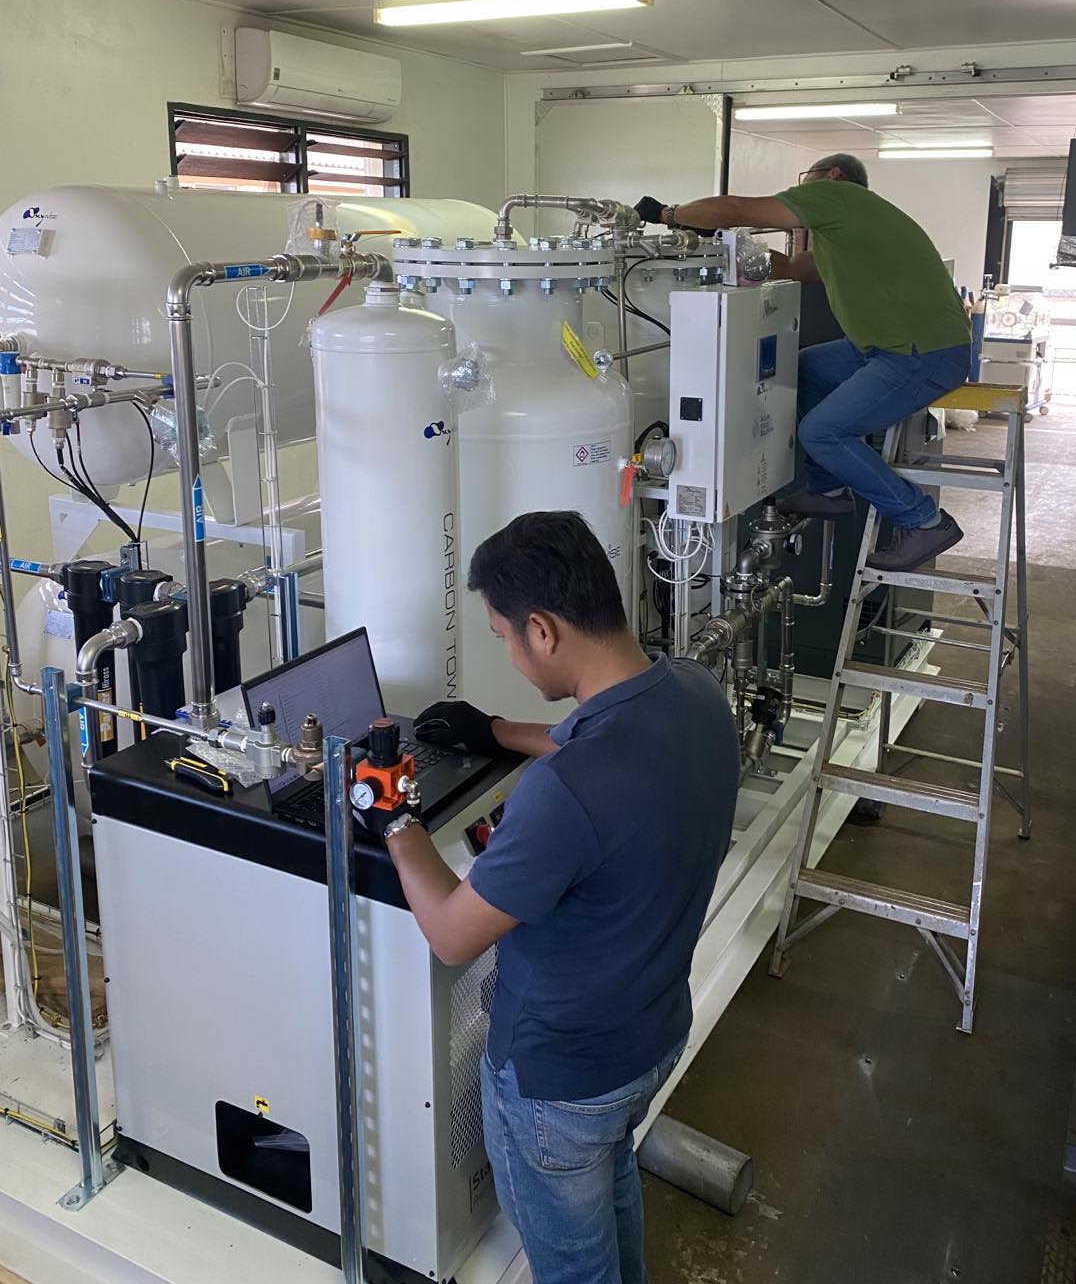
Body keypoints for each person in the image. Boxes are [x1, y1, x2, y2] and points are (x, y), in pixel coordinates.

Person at [363, 509, 739, 1284]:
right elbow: (600, 735)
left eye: (502, 635)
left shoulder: (563, 795)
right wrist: (495, 730)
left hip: (558, 1085)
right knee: (612, 1187)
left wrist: (392, 816)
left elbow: (452, 934)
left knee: (572, 1268)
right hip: (652, 1039)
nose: (508, 650)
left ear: (542, 630)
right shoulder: (697, 694)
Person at [635, 153, 972, 573]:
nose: (799, 189)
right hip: (884, 347)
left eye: (805, 180)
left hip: (923, 352)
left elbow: (741, 207)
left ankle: (924, 521)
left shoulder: (837, 196)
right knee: (804, 369)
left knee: (823, 432)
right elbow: (793, 268)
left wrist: (669, 214)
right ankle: (828, 490)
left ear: (831, 177)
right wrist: (721, 238)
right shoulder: (847, 232)